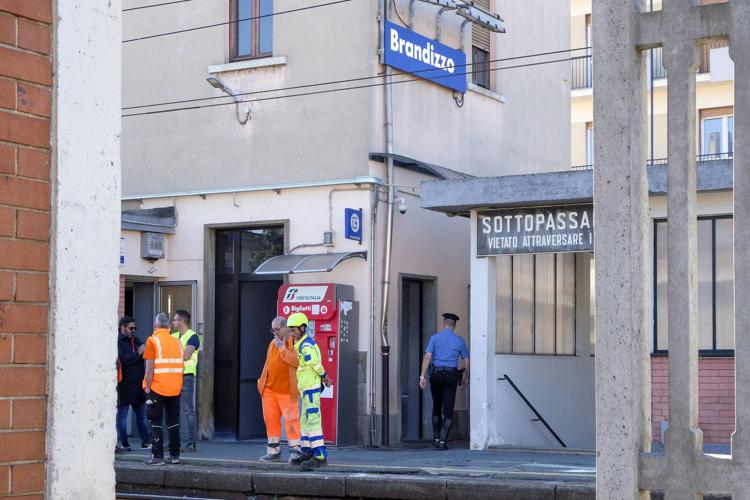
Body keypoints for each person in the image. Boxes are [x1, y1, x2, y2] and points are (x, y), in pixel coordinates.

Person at [419, 312, 470, 450]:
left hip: (436, 375)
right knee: (448, 408)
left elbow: (427, 356)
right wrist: (466, 377)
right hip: (451, 376)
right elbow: (466, 360)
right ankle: (442, 442)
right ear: (454, 325)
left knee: (436, 405)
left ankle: (435, 439)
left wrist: (422, 376)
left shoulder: (435, 338)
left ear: (444, 324)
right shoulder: (459, 341)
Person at [287, 312, 332, 467]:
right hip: (306, 389)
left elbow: (316, 365)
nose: (291, 333)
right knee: (305, 422)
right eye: (290, 330)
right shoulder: (300, 345)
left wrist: (325, 377)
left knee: (313, 421)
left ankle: (320, 456)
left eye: (293, 330)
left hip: (311, 388)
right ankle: (308, 451)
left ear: (302, 328)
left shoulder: (306, 346)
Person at [257, 316, 303, 463]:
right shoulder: (273, 343)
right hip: (269, 390)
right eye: (273, 330)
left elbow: (296, 362)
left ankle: (295, 450)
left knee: (292, 420)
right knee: (271, 421)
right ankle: (273, 451)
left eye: (277, 329)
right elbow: (268, 364)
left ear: (286, 328)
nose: (275, 333)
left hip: (287, 390)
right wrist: (261, 383)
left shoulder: (294, 342)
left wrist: (281, 348)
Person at [143, 312, 184, 466]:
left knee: (155, 422)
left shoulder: (152, 341)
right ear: (168, 326)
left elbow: (149, 368)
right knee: (173, 422)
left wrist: (147, 388)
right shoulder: (177, 342)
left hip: (157, 387)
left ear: (155, 325)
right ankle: (175, 456)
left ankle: (157, 456)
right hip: (175, 388)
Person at [116, 316, 151, 452]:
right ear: (122, 327)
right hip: (124, 384)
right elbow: (123, 360)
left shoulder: (135, 339)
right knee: (122, 415)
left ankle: (145, 441)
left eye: (135, 328)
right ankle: (124, 443)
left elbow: (144, 353)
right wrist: (137, 354)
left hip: (138, 384)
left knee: (141, 415)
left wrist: (140, 353)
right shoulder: (118, 341)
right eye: (131, 328)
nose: (133, 331)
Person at [171, 309, 200, 452]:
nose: (173, 322)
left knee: (188, 411)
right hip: (173, 376)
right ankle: (173, 442)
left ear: (182, 321)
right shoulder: (174, 336)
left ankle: (190, 443)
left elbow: (186, 356)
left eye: (175, 320)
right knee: (172, 409)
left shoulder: (193, 336)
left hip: (186, 376)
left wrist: (170, 355)